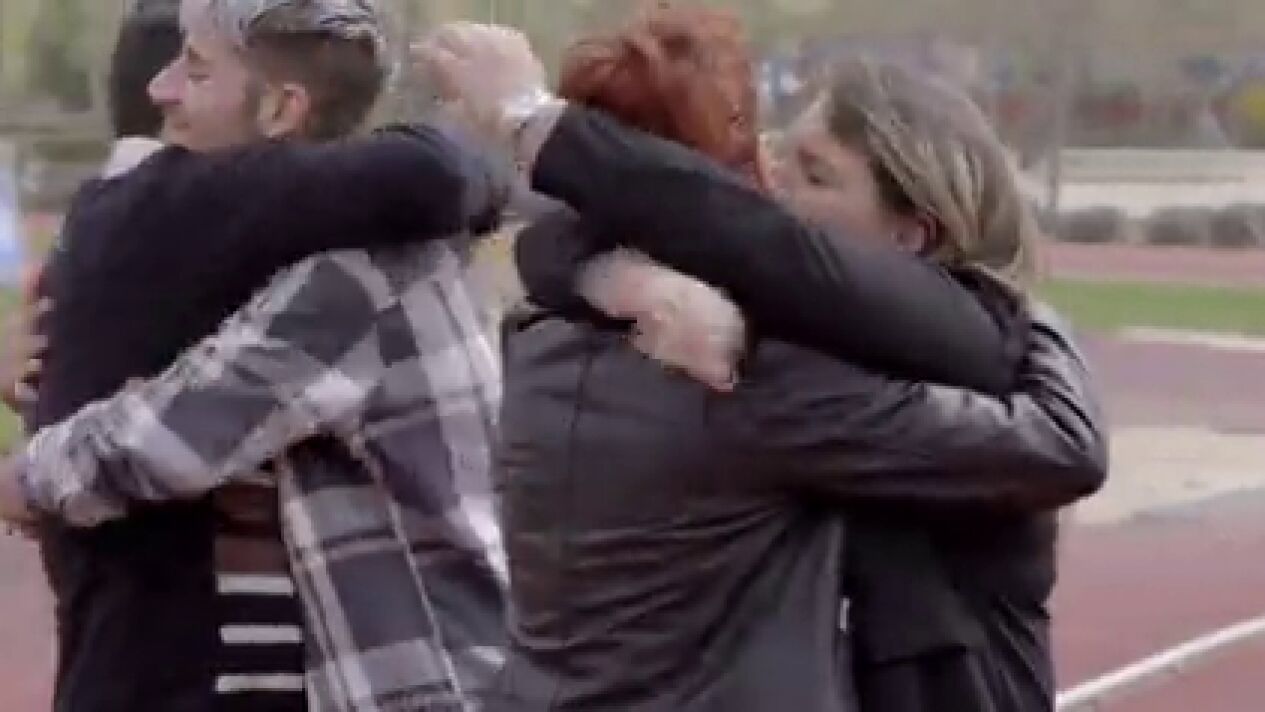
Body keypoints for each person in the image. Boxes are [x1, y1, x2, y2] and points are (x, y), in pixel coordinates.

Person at [418, 17, 1105, 711]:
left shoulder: (536, 332)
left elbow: (583, 241)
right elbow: (1058, 443)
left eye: (814, 174)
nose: (774, 189)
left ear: (912, 233)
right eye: (773, 157)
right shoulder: (754, 378)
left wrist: (598, 268)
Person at [0, 1, 508, 710]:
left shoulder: (358, 274)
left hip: (412, 682)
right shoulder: (336, 245)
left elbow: (177, 432)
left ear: (281, 108)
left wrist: (23, 479)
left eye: (196, 69)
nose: (160, 89)